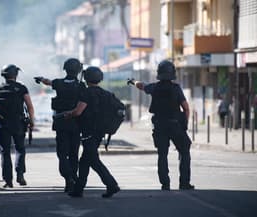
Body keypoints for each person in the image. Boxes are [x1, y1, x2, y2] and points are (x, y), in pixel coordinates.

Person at [128, 60, 194, 191]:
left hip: (159, 126)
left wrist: (132, 81)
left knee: (162, 154)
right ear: (172, 74)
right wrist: (184, 125)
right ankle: (184, 183)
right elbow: (186, 108)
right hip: (176, 126)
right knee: (185, 151)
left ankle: (165, 184)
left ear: (159, 74)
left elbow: (142, 85)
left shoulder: (154, 87)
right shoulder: (176, 88)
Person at [65, 66, 120, 198]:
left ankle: (112, 185)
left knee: (94, 161)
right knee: (84, 161)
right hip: (100, 132)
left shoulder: (86, 93)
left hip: (89, 132)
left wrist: (69, 114)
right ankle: (78, 190)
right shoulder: (106, 94)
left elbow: (78, 111)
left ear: (86, 78)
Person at [34, 58, 85, 193]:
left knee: (62, 154)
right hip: (76, 124)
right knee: (74, 154)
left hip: (61, 123)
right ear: (78, 70)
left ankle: (68, 179)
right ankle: (73, 178)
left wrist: (41, 79)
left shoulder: (59, 83)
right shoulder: (81, 86)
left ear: (65, 69)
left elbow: (49, 82)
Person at [0, 64, 35, 188]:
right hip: (18, 123)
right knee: (20, 149)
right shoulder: (21, 88)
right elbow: (29, 106)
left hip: (3, 124)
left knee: (5, 152)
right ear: (16, 75)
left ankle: (8, 180)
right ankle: (20, 175)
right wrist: (31, 121)